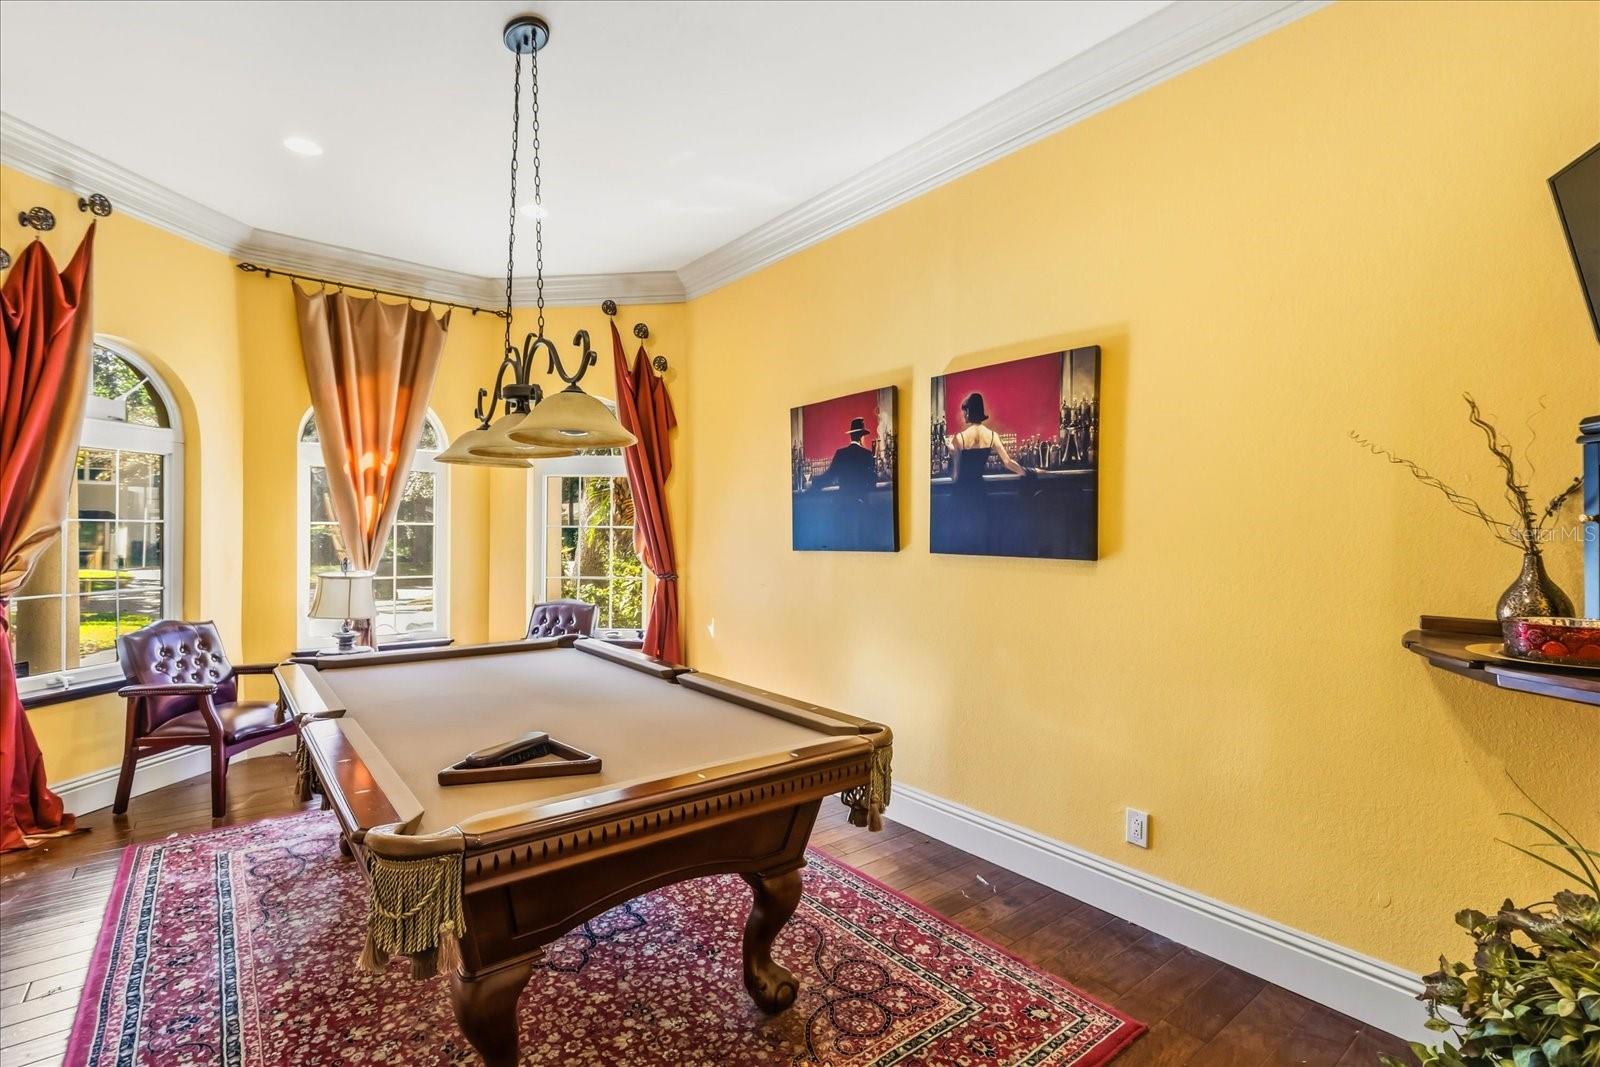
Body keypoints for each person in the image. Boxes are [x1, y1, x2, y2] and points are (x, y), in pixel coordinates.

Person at [944, 393, 1032, 484]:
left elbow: (955, 476)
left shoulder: (959, 438)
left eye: (964, 411)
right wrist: (1029, 472)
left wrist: (952, 452)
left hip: (963, 488)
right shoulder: (993, 436)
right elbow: (1008, 462)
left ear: (969, 412)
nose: (963, 415)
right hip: (980, 488)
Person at [811, 417, 878, 496]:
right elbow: (872, 484)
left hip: (844, 500)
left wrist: (813, 483)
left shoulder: (840, 454)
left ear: (851, 436)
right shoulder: (867, 454)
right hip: (861, 501)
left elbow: (829, 477)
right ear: (861, 437)